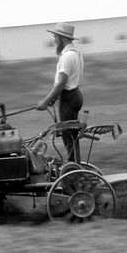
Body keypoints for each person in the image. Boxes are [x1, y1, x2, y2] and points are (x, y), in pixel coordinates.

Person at [37, 22, 84, 161]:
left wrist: (45, 102)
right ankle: (75, 164)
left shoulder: (67, 56)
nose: (54, 40)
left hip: (68, 98)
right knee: (71, 135)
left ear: (62, 39)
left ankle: (73, 167)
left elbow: (61, 83)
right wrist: (54, 98)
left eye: (55, 37)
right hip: (74, 95)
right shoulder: (75, 53)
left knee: (68, 136)